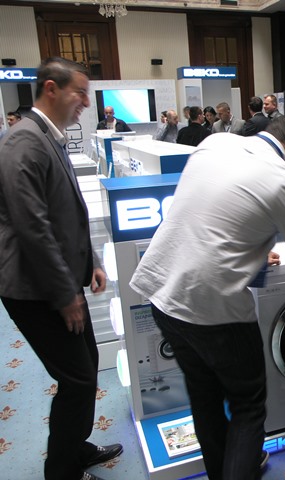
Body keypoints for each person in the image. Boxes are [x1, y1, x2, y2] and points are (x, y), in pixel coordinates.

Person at [130, 116, 285, 480]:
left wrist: (252, 252)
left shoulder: (214, 143)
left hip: (163, 295)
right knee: (248, 407)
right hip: (217, 314)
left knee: (204, 399)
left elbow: (211, 218)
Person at [0, 57, 122, 480]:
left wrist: (91, 262)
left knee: (86, 365)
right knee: (78, 378)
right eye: (80, 93)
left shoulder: (48, 136)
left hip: (62, 282)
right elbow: (32, 228)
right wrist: (65, 295)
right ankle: (62, 471)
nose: (86, 102)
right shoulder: (24, 141)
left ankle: (75, 447)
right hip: (36, 290)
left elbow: (67, 210)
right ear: (51, 88)